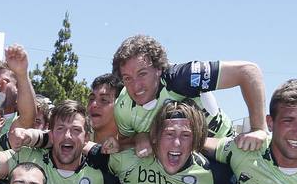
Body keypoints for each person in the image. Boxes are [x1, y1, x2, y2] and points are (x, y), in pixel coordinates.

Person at [108, 33, 267, 154]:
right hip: (178, 157)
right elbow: (125, 142)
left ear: (158, 69)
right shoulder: (122, 106)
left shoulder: (182, 77)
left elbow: (249, 71)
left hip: (222, 147)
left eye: (142, 74)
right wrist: (140, 137)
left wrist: (258, 128)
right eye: (128, 78)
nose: (136, 86)